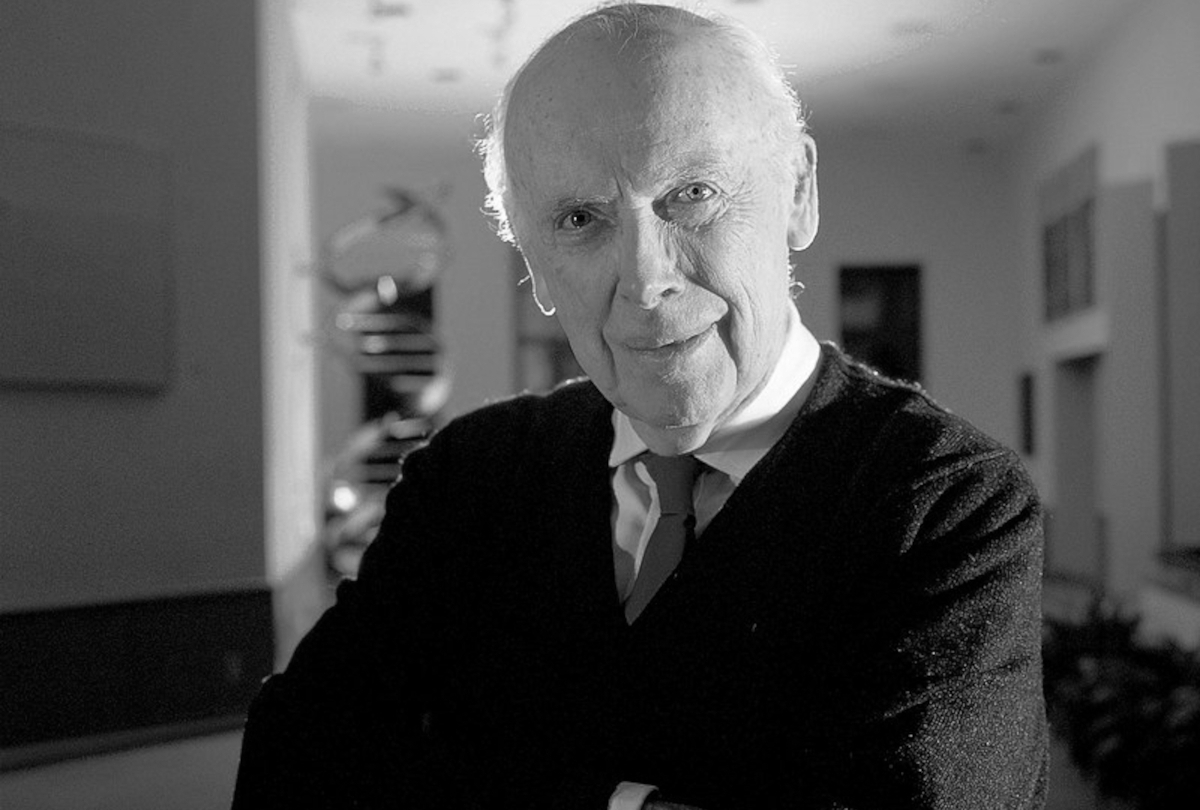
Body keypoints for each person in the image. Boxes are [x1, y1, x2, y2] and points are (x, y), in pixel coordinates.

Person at [232, 4, 1048, 808]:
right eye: (579, 219)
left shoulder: (945, 504)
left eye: (691, 193)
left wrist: (477, 777)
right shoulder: (470, 478)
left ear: (799, 193)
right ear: (535, 269)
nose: (646, 278)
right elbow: (292, 760)